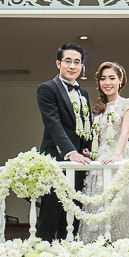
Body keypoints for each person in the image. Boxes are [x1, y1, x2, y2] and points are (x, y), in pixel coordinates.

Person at [82, 61, 129, 243]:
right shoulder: (99, 109)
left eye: (111, 78)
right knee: (100, 202)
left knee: (122, 201)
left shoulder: (128, 104)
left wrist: (116, 155)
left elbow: (125, 132)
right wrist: (91, 154)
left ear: (120, 81)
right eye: (103, 79)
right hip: (100, 160)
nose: (107, 82)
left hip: (119, 156)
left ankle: (126, 243)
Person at [35, 43, 93, 241]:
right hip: (56, 161)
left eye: (77, 62)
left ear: (81, 66)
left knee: (73, 218)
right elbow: (53, 124)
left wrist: (86, 148)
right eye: (68, 61)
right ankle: (41, 254)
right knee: (50, 215)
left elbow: (86, 124)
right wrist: (70, 152)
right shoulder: (47, 89)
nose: (72, 66)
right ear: (58, 63)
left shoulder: (83, 94)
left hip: (78, 166)